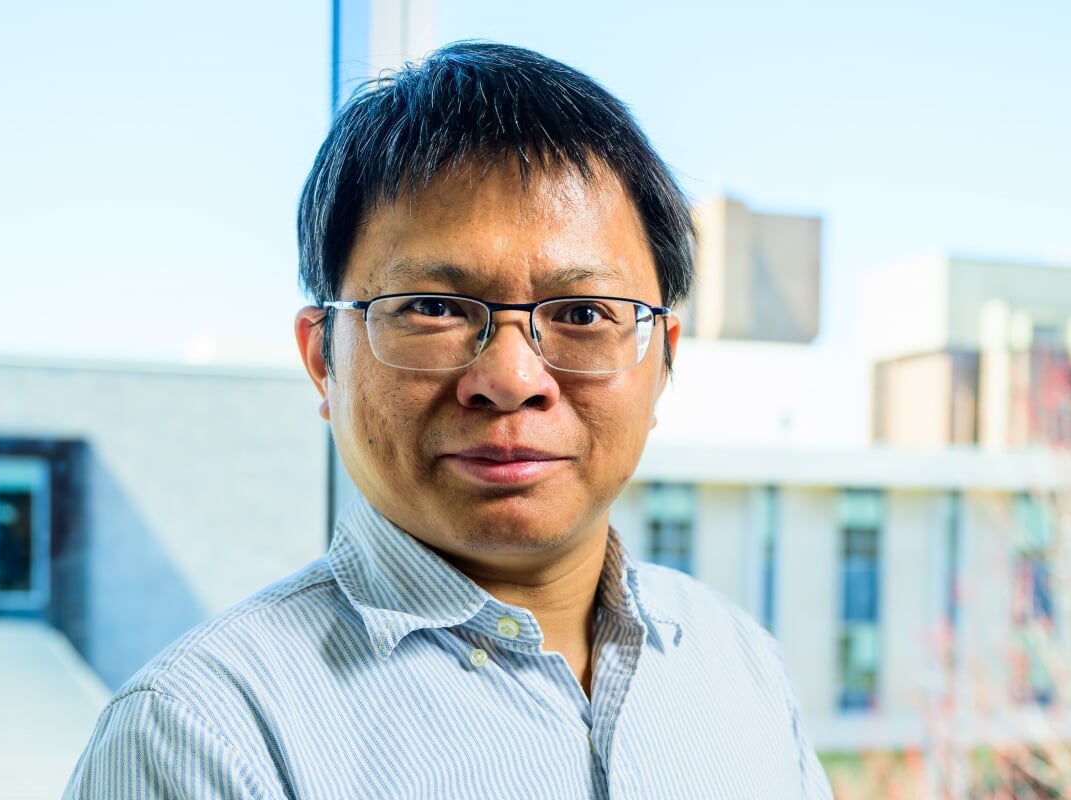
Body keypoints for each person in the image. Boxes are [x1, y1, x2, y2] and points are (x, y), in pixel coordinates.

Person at [65, 41, 832, 799]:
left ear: (662, 360)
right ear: (322, 358)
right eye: (432, 308)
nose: (510, 380)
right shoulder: (201, 738)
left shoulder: (739, 666)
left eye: (583, 312)